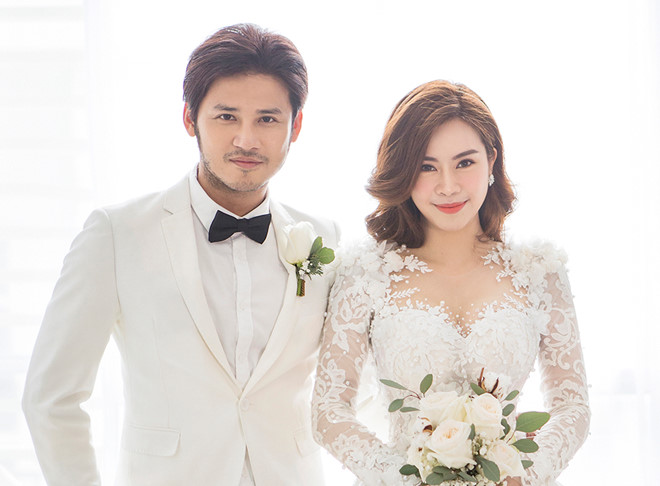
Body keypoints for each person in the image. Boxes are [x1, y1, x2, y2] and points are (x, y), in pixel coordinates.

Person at [22, 23, 338, 486]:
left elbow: (353, 388)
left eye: (267, 119)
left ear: (297, 126)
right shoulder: (117, 234)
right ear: (190, 119)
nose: (247, 140)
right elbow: (51, 398)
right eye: (226, 116)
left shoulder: (324, 239)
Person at [311, 80, 589, 485]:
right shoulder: (365, 274)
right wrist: (408, 478)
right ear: (404, 172)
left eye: (464, 163)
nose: (448, 186)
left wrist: (523, 476)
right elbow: (328, 411)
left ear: (491, 161)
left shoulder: (539, 271)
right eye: (427, 166)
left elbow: (572, 406)